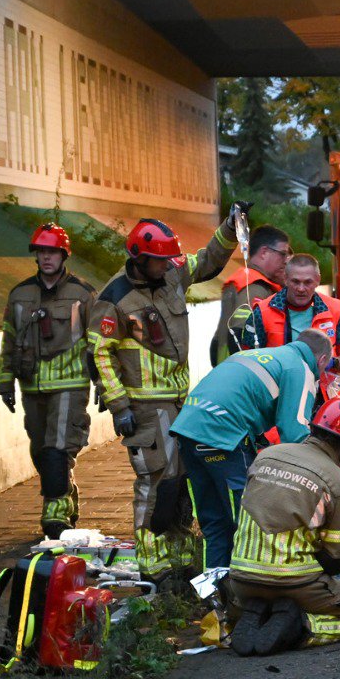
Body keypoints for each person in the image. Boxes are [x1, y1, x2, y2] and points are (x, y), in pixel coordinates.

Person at [89, 210, 243, 580]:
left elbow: (207, 260)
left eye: (166, 259)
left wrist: (229, 228)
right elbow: (100, 354)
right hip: (143, 406)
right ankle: (151, 554)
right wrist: (119, 405)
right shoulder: (114, 298)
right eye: (158, 260)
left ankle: (177, 546)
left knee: (184, 476)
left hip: (179, 399)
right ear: (139, 259)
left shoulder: (172, 272)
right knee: (156, 478)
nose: (165, 266)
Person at [170, 331, 331, 569]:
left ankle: (213, 594)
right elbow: (294, 432)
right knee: (246, 522)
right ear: (322, 360)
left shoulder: (261, 355)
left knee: (214, 523)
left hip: (187, 430)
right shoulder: (299, 369)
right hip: (222, 435)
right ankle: (246, 592)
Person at [227, 397, 340, 655]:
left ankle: (258, 614)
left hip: (241, 580)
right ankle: (301, 626)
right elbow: (336, 560)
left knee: (261, 592)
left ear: (313, 427)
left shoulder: (264, 457)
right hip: (295, 583)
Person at [0, 224, 99, 540]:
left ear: (63, 254)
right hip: (32, 388)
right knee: (42, 453)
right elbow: (9, 339)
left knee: (57, 449)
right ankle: (65, 494)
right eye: (41, 251)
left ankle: (54, 519)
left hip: (70, 385)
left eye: (52, 251)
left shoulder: (82, 294)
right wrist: (4, 381)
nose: (46, 257)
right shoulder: (20, 295)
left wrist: (105, 384)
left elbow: (98, 342)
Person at [241, 255, 340, 378]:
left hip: (323, 394)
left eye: (307, 282)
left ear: (317, 280)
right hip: (281, 392)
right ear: (285, 279)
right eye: (295, 282)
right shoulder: (262, 312)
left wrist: (331, 362)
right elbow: (247, 363)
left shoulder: (334, 309)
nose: (301, 289)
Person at [212, 224, 290, 364]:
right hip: (240, 373)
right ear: (264, 252)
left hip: (228, 367)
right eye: (283, 254)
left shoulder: (245, 280)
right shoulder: (256, 287)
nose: (286, 261)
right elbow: (241, 334)